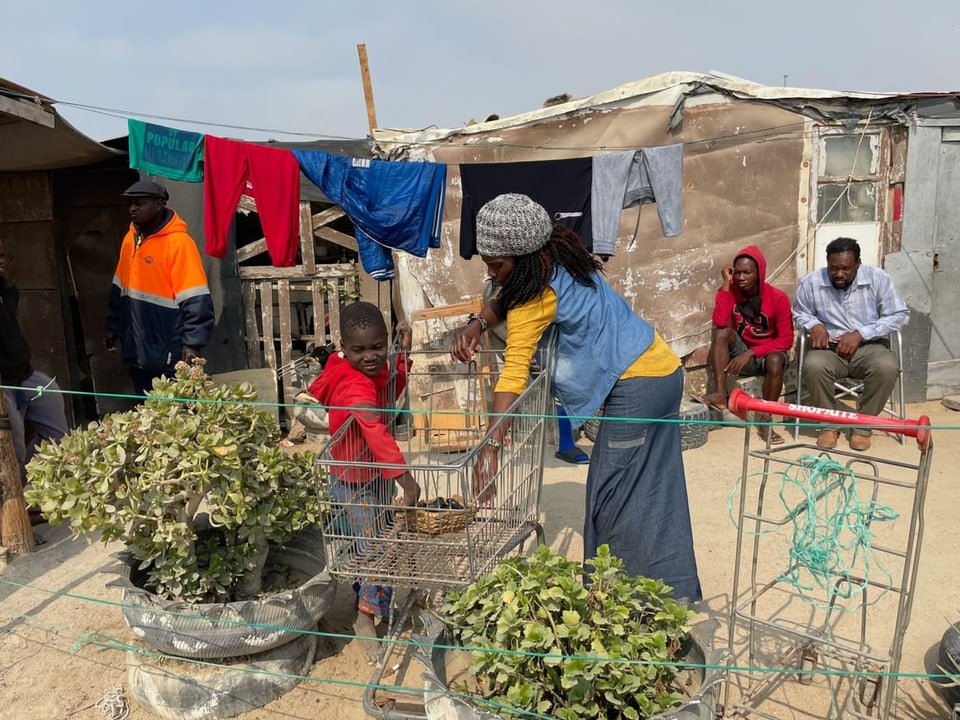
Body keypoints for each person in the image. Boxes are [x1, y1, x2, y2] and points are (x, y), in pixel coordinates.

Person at [451, 193, 701, 602]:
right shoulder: (558, 261)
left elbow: (512, 373)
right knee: (653, 488)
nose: (492, 274)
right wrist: (478, 323)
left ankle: (621, 603)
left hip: (637, 383)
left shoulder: (536, 293)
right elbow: (503, 300)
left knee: (613, 503)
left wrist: (490, 449)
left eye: (496, 265)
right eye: (487, 264)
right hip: (660, 370)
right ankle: (663, 595)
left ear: (524, 258)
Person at [308, 302, 421, 662]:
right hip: (353, 478)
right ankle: (364, 617)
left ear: (384, 340)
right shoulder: (354, 385)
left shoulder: (364, 368)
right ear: (343, 345)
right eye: (359, 350)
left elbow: (389, 389)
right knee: (378, 549)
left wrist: (401, 356)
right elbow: (374, 429)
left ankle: (368, 600)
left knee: (372, 542)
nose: (371, 357)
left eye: (377, 346)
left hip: (369, 471)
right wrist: (408, 481)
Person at [793, 237, 909, 451]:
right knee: (813, 366)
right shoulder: (812, 282)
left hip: (869, 347)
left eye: (846, 268)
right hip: (829, 348)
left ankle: (862, 426)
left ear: (858, 264)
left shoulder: (878, 279)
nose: (839, 274)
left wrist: (861, 333)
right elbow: (800, 312)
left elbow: (899, 315)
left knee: (887, 367)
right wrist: (814, 324)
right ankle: (829, 424)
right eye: (833, 268)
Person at [105, 180, 215, 396]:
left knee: (177, 413)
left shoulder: (179, 244)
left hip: (168, 350)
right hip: (136, 348)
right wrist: (112, 325)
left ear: (159, 204)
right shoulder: (130, 240)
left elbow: (196, 300)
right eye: (130, 204)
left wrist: (193, 344)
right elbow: (119, 287)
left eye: (140, 203)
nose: (132, 209)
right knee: (145, 409)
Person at [697, 245, 793, 444]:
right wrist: (725, 284)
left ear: (759, 273)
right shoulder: (730, 292)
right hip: (743, 349)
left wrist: (751, 353)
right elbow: (721, 323)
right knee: (721, 331)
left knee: (775, 360)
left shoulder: (778, 299)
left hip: (767, 354)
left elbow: (785, 340)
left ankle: (766, 421)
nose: (740, 277)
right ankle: (720, 394)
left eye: (747, 272)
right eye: (737, 272)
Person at [0, 239, 68, 486]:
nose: (1, 261)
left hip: (24, 375)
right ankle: (13, 508)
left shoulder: (7, 290)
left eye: (3, 256)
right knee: (12, 449)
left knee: (56, 434)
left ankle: (31, 490)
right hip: (3, 384)